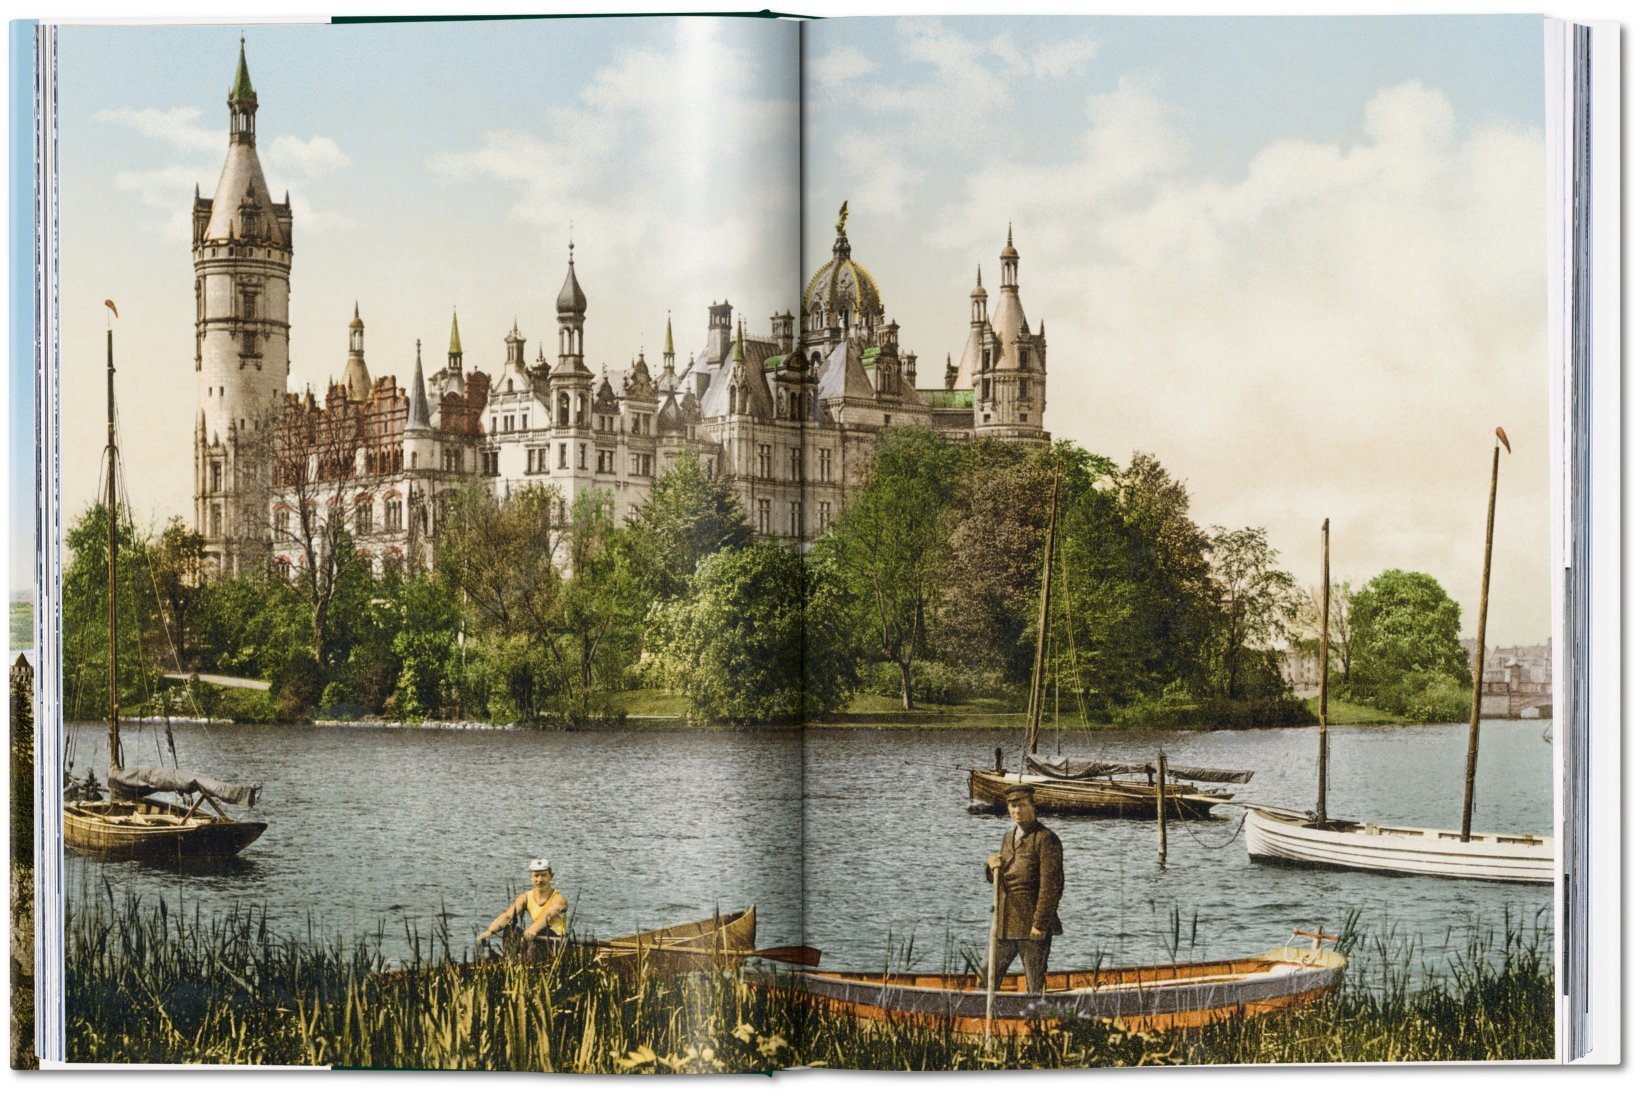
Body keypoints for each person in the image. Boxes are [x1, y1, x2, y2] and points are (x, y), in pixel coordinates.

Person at [984, 785, 1063, 994]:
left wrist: (1040, 924)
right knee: (986, 977)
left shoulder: (1045, 839)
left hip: (1032, 928)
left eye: (1021, 805)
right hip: (1004, 924)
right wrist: (990, 867)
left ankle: (1034, 1023)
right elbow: (999, 879)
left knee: (1034, 985)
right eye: (1012, 806)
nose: (1016, 811)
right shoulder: (1007, 837)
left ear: (1033, 806)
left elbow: (1052, 886)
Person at [478, 858, 568, 948]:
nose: (539, 880)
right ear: (531, 877)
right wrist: (489, 932)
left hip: (556, 940)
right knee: (509, 928)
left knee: (543, 930)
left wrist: (530, 932)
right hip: (536, 935)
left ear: (551, 876)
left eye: (544, 875)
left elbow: (545, 918)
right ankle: (510, 958)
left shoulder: (559, 900)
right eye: (536, 875)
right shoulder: (525, 897)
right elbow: (508, 916)